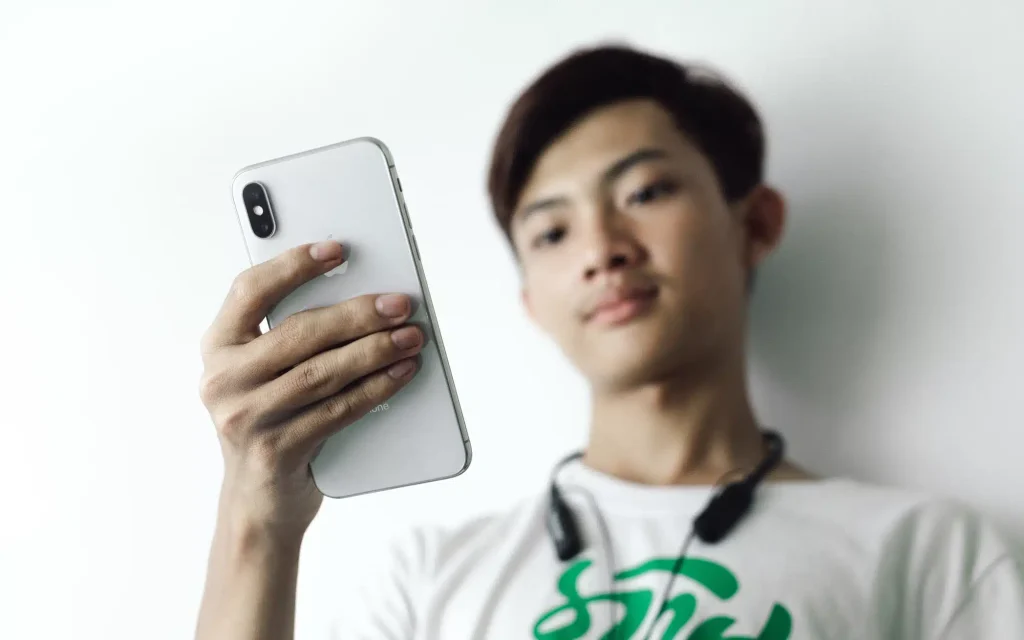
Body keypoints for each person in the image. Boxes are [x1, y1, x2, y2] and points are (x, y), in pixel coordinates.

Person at [194, 44, 1024, 640]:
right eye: (551, 232)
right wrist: (258, 515)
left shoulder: (929, 554)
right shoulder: (428, 581)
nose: (601, 248)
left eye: (645, 190)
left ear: (757, 222)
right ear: (531, 300)